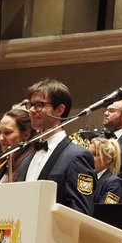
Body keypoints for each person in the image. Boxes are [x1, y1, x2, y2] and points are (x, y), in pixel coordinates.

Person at [14, 79, 95, 215]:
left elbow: (81, 211)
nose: (32, 110)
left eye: (39, 105)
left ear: (59, 110)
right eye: (30, 105)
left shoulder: (77, 156)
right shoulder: (27, 159)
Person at [0, 108, 34, 183]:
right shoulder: (2, 165)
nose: (1, 138)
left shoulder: (31, 165)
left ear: (26, 135)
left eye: (7, 132)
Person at [89, 137, 122, 204]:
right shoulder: (89, 177)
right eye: (88, 154)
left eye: (95, 154)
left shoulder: (114, 183)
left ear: (108, 159)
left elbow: (106, 209)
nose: (89, 158)